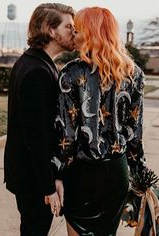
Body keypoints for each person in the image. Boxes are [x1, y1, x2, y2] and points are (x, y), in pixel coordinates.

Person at [53, 7, 146, 236]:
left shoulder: (71, 74)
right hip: (117, 172)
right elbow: (135, 132)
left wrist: (56, 173)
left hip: (83, 175)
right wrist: (140, 173)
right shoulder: (134, 74)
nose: (73, 35)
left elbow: (67, 135)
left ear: (90, 33)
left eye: (78, 30)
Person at [3, 3, 75, 236]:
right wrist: (48, 186)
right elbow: (36, 135)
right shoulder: (37, 71)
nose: (74, 32)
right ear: (50, 30)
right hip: (33, 180)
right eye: (68, 27)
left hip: (29, 175)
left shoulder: (34, 62)